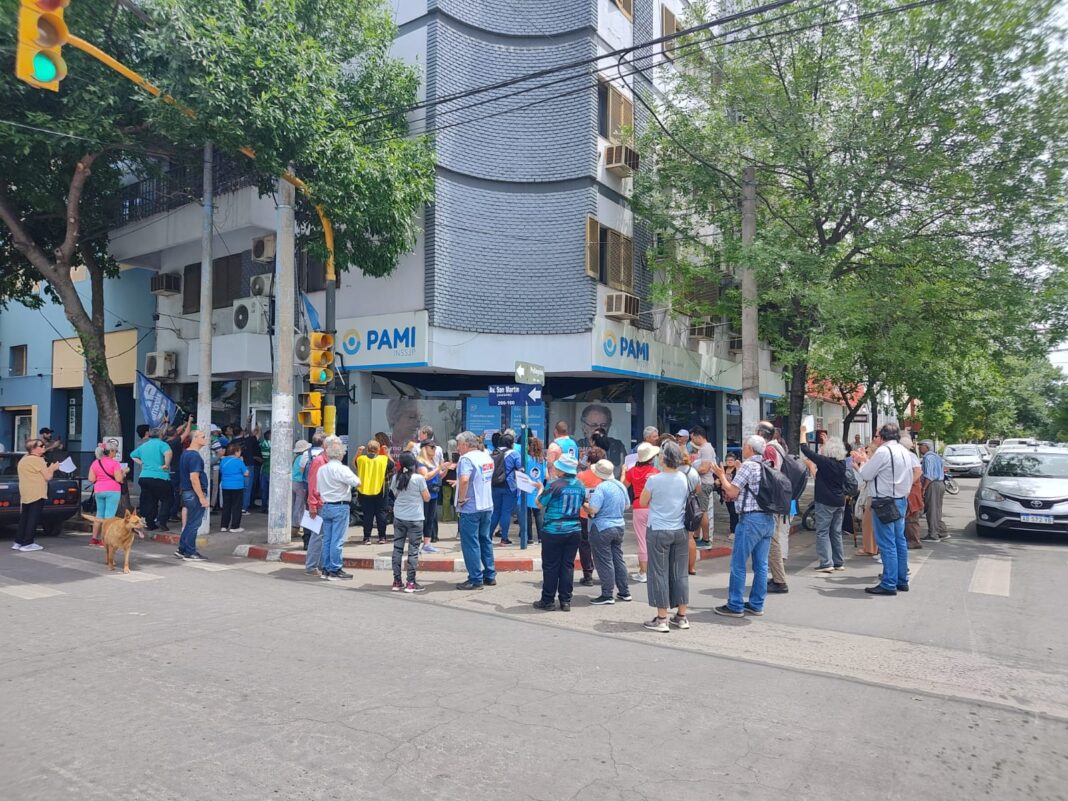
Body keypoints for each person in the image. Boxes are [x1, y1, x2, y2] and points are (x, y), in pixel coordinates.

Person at [710, 434, 776, 618]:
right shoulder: (766, 465)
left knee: (738, 563)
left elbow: (732, 491)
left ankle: (735, 604)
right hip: (767, 519)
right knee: (761, 565)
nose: (743, 448)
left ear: (750, 448)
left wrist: (721, 476)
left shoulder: (748, 465)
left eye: (745, 445)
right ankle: (756, 603)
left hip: (750, 519)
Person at [854, 423, 919, 596]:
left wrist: (862, 462)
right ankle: (901, 579)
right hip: (900, 499)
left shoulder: (883, 451)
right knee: (899, 541)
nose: (875, 438)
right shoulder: (904, 451)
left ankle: (889, 583)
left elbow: (866, 474)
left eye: (876, 435)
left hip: (884, 500)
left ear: (882, 437)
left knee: (887, 543)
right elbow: (911, 476)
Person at [639, 440, 696, 632]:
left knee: (659, 573)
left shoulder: (654, 480)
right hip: (680, 530)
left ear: (663, 458)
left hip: (658, 529)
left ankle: (662, 619)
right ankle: (681, 616)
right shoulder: (684, 478)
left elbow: (643, 501)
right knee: (680, 573)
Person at [532, 455, 585, 611]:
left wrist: (539, 489)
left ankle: (548, 600)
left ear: (562, 470)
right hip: (574, 529)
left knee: (550, 566)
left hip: (553, 530)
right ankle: (565, 600)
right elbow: (582, 502)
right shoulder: (580, 485)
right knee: (567, 565)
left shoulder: (554, 485)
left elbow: (539, 504)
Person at [799, 425, 848, 572]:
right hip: (839, 501)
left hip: (825, 501)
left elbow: (804, 449)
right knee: (836, 532)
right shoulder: (842, 463)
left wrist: (803, 433)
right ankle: (838, 561)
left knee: (822, 531)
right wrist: (826, 442)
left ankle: (826, 562)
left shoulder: (825, 462)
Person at [453, 430, 496, 590]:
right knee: (485, 540)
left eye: (458, 445)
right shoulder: (486, 456)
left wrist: (461, 499)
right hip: (487, 504)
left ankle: (475, 578)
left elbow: (464, 480)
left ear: (465, 444)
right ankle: (489, 574)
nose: (457, 448)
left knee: (470, 543)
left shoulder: (466, 459)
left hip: (471, 507)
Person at [585, 459, 631, 604]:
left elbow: (593, 509)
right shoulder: (620, 485)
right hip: (619, 525)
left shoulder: (601, 488)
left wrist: (585, 504)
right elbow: (627, 506)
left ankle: (607, 594)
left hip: (602, 527)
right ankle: (624, 591)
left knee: (604, 561)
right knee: (618, 559)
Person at [316, 436, 360, 581]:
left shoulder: (322, 469)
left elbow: (318, 489)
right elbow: (357, 482)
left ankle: (326, 568)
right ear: (340, 454)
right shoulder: (342, 469)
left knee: (327, 539)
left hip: (326, 505)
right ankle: (335, 569)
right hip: (340, 506)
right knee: (337, 540)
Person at [390, 452, 431, 592]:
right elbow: (427, 498)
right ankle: (411, 582)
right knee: (413, 551)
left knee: (397, 549)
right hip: (415, 518)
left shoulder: (395, 478)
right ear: (414, 464)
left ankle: (397, 581)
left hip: (399, 517)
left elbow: (394, 494)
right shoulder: (418, 479)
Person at [758, 421, 790, 594]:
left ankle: (779, 580)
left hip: (772, 500)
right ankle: (777, 577)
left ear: (761, 434)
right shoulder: (778, 447)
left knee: (773, 540)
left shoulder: (769, 449)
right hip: (778, 498)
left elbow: (767, 475)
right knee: (772, 538)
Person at [14, 438, 61, 552]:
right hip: (37, 492)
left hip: (26, 492)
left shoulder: (24, 459)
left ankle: (18, 541)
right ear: (33, 448)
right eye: (41, 446)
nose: (44, 447)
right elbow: (48, 477)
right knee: (33, 518)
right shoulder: (38, 460)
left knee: (25, 518)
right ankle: (28, 543)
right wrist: (53, 468)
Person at [623, 442, 659, 583]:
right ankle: (653, 569)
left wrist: (623, 472)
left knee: (642, 540)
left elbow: (624, 486)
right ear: (651, 458)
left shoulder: (632, 471)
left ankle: (643, 571)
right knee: (654, 539)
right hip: (654, 506)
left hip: (639, 505)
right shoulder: (655, 472)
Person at [130, 428, 173, 532]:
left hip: (144, 477)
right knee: (167, 499)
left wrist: (141, 463)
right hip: (160, 476)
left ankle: (150, 523)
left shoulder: (144, 445)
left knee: (150, 500)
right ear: (160, 435)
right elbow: (168, 453)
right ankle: (162, 521)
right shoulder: (162, 444)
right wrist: (166, 464)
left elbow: (132, 455)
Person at [575, 446, 606, 587]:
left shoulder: (581, 475)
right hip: (602, 514)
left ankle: (588, 575)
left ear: (588, 461)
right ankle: (605, 574)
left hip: (584, 513)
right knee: (602, 545)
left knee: (584, 544)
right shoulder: (604, 477)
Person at [176, 428, 209, 561]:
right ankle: (190, 551)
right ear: (194, 438)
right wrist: (202, 497)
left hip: (187, 492)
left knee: (190, 522)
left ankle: (182, 549)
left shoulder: (185, 453)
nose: (205, 439)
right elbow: (194, 478)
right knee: (194, 523)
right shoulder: (194, 456)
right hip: (193, 493)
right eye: (202, 436)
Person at [86, 442, 127, 546]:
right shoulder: (115, 463)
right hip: (112, 490)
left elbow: (91, 478)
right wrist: (124, 472)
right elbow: (119, 479)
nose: (116, 453)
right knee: (109, 515)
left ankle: (94, 538)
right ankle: (104, 539)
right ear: (110, 451)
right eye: (115, 451)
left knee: (99, 514)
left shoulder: (95, 463)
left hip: (99, 490)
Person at [489, 431, 522, 546]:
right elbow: (521, 468)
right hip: (509, 485)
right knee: (506, 512)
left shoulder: (494, 452)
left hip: (494, 485)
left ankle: (488, 536)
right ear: (511, 443)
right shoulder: (514, 454)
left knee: (495, 511)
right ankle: (504, 539)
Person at [354, 440, 391, 544]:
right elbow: (391, 465)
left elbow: (355, 463)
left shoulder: (361, 459)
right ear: (378, 449)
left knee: (367, 515)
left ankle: (367, 538)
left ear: (367, 449)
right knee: (381, 514)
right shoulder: (383, 459)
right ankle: (382, 537)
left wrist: (358, 452)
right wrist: (386, 453)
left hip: (364, 491)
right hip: (380, 491)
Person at [303, 436, 330, 576]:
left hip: (326, 502)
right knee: (317, 535)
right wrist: (312, 504)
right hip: (319, 503)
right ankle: (311, 566)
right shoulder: (319, 461)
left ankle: (320, 564)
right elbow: (313, 483)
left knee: (323, 536)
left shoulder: (327, 461)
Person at [416, 438, 449, 553]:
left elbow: (439, 476)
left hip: (433, 493)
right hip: (424, 494)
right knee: (423, 519)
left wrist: (445, 469)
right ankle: (417, 543)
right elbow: (425, 476)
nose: (434, 449)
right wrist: (439, 468)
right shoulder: (420, 461)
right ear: (424, 449)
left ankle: (427, 544)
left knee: (430, 519)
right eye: (432, 447)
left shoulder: (433, 461)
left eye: (435, 447)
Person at [689, 426, 718, 548]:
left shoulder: (706, 448)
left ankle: (706, 539)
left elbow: (705, 468)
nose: (692, 441)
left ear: (698, 436)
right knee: (699, 511)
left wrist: (690, 470)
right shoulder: (704, 448)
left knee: (702, 511)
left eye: (692, 438)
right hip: (702, 483)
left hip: (704, 483)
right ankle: (697, 536)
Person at [577, 404, 626, 469]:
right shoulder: (577, 446)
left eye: (603, 425)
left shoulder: (617, 446)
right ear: (584, 427)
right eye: (594, 425)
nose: (599, 429)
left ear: (609, 426)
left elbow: (622, 469)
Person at [918, 440, 948, 541]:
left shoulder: (928, 458)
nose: (919, 448)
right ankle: (942, 531)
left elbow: (929, 476)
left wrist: (923, 488)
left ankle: (933, 534)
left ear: (926, 447)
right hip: (940, 483)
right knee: (937, 509)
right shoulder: (936, 456)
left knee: (932, 510)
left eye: (921, 446)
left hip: (933, 485)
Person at [900, 434, 924, 549]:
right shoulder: (908, 455)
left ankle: (914, 540)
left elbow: (918, 472)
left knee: (911, 517)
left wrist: (908, 484)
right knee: (908, 517)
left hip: (912, 491)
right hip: (909, 490)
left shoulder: (910, 456)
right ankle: (911, 539)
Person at [523, 436, 547, 545]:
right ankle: (541, 538)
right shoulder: (542, 460)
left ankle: (529, 538)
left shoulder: (526, 459)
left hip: (527, 489)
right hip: (538, 489)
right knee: (539, 514)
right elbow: (546, 476)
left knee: (527, 515)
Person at [219, 443, 248, 533]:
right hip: (237, 486)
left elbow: (221, 471)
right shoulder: (239, 461)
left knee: (226, 506)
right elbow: (246, 473)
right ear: (236, 452)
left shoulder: (223, 460)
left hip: (225, 486)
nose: (240, 453)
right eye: (239, 451)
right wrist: (242, 462)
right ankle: (234, 526)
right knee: (236, 507)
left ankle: (224, 526)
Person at [717, 452, 740, 537]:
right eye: (728, 460)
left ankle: (734, 531)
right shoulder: (724, 469)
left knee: (734, 512)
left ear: (735, 461)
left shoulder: (737, 470)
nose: (729, 461)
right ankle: (733, 528)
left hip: (734, 495)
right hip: (725, 495)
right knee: (730, 512)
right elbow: (718, 478)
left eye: (731, 460)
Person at [257, 429, 272, 513]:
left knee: (264, 491)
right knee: (271, 491)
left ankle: (263, 507)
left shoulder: (261, 444)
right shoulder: (272, 445)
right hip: (271, 470)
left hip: (263, 470)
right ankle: (269, 508)